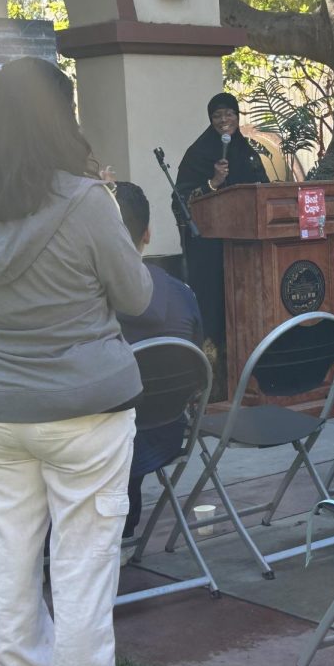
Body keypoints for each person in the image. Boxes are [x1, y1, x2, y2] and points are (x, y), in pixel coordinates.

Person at [0, 57, 153, 666]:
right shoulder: (88, 203)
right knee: (83, 572)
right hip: (87, 416)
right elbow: (138, 297)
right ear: (63, 119)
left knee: (7, 569)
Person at [112, 182, 203, 544]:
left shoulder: (88, 305)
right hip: (169, 430)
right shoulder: (183, 293)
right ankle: (125, 529)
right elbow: (196, 356)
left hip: (110, 443)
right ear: (147, 233)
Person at [174, 92, 269, 345]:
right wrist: (212, 183)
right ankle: (214, 359)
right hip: (211, 249)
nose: (223, 120)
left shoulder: (248, 152)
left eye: (229, 114)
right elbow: (180, 201)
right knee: (215, 307)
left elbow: (265, 192)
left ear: (237, 117)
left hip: (246, 247)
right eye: (217, 115)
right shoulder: (198, 153)